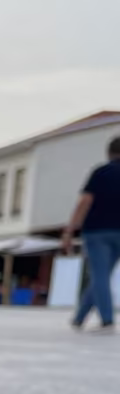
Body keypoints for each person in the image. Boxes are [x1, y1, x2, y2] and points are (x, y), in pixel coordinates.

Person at [64, 135, 120, 334]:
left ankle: (107, 320)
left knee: (99, 276)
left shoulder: (100, 172)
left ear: (110, 153)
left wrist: (70, 230)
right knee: (101, 277)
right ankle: (79, 318)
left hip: (97, 231)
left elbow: (85, 201)